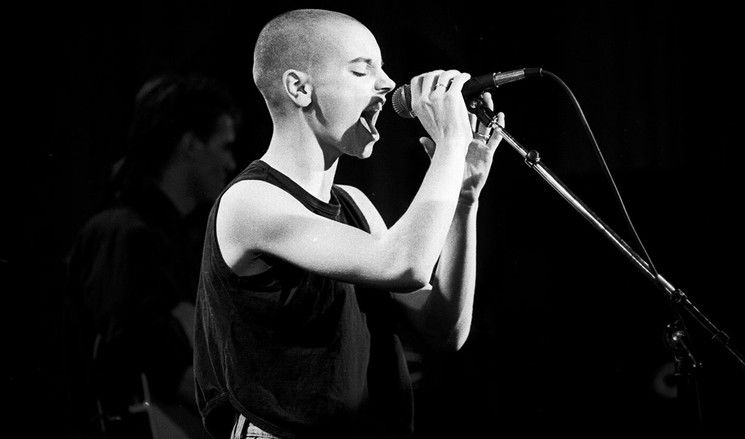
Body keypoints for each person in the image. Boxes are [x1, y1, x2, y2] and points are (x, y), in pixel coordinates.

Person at [194, 8, 505, 439]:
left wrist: (464, 199)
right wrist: (452, 141)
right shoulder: (250, 202)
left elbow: (444, 328)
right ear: (300, 88)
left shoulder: (353, 204)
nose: (387, 84)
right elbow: (405, 264)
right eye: (362, 70)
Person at [67, 73, 239, 437]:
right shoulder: (122, 233)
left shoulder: (184, 240)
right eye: (224, 146)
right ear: (190, 144)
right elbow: (140, 355)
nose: (231, 163)